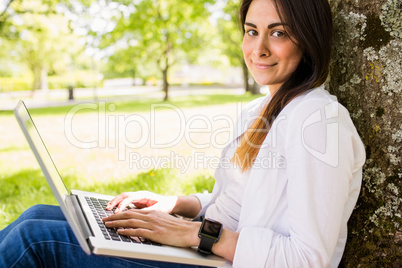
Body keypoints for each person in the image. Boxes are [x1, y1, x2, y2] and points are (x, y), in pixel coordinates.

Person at [0, 0, 366, 267]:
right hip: (206, 247)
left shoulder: (320, 121)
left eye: (279, 33)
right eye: (252, 31)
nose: (259, 49)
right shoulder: (264, 110)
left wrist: (194, 234)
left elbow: (308, 259)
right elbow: (238, 204)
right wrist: (174, 205)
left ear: (308, 40)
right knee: (35, 216)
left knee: (33, 240)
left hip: (219, 260)